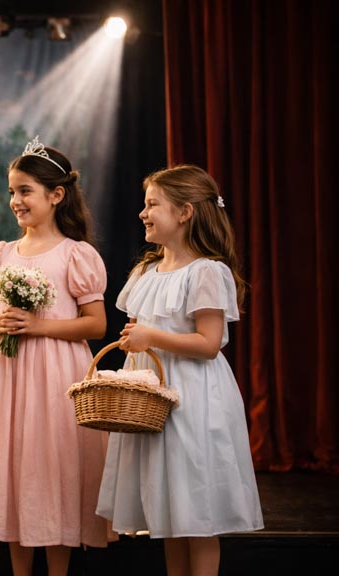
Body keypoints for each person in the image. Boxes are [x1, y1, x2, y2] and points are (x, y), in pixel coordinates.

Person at [96, 164, 264, 576]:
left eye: (153, 204)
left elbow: (208, 343)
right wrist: (134, 342)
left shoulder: (206, 271)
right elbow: (140, 333)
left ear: (185, 212)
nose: (143, 213)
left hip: (193, 400)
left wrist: (151, 336)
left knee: (197, 510)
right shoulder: (145, 272)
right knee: (170, 513)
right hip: (153, 401)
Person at [0, 136, 114, 576]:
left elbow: (96, 325)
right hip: (9, 373)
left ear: (56, 195)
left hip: (56, 376)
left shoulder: (75, 255)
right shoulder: (2, 254)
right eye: (12, 191)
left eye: (25, 191)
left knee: (52, 467)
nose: (15, 201)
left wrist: (37, 326)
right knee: (13, 468)